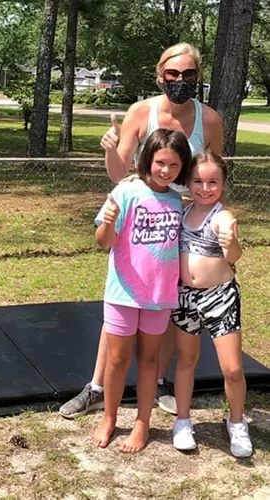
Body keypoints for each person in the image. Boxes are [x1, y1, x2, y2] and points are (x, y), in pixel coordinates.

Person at [59, 42, 223, 419]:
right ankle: (98, 386)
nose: (180, 81)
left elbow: (213, 175)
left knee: (167, 304)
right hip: (141, 219)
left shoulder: (209, 120)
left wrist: (217, 225)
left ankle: (160, 381)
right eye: (173, 74)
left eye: (189, 75)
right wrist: (110, 149)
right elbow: (121, 176)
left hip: (184, 223)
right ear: (159, 74)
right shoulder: (140, 112)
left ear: (198, 77)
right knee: (122, 298)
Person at [91, 128, 192, 453]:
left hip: (159, 297)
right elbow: (104, 242)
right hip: (122, 293)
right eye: (160, 162)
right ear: (148, 158)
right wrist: (108, 221)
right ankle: (109, 417)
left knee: (149, 361)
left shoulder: (177, 202)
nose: (166, 171)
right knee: (118, 360)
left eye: (174, 166)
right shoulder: (125, 192)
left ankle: (141, 424)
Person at [171, 151, 253, 458]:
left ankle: (237, 423)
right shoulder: (181, 212)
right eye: (198, 181)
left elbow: (234, 255)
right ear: (188, 183)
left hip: (220, 298)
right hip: (184, 298)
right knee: (186, 361)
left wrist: (231, 244)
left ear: (223, 184)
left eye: (212, 182)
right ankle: (182, 421)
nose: (205, 188)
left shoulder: (223, 216)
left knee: (232, 368)